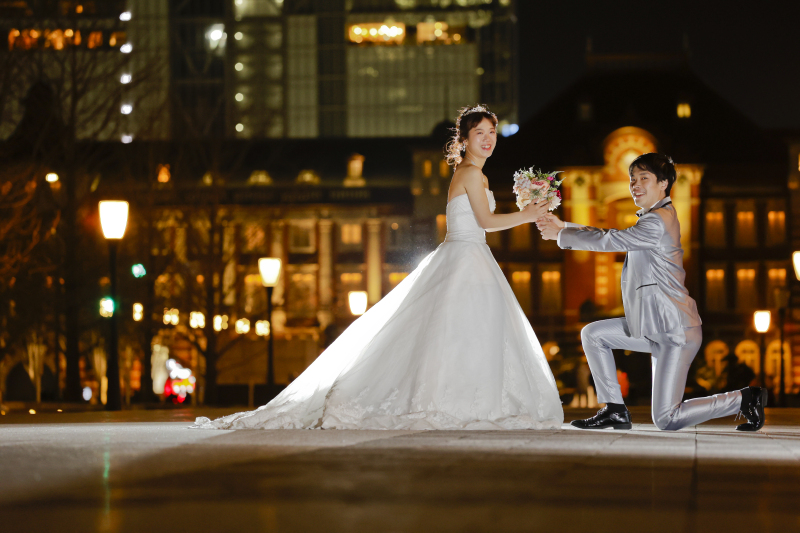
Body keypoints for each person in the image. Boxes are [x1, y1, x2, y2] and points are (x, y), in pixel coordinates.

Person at [192, 105, 564, 430]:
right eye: (479, 133)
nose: (488, 139)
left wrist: (529, 208)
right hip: (465, 257)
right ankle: (457, 401)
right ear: (463, 141)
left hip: (473, 258)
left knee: (467, 334)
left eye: (492, 133)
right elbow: (484, 221)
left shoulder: (478, 175)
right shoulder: (468, 173)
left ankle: (470, 398)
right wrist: (528, 213)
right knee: (460, 331)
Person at [536, 153, 767, 431]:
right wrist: (564, 226)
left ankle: (744, 398)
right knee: (593, 334)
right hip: (651, 326)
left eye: (644, 178)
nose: (635, 185)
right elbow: (614, 233)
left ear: (664, 183)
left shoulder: (658, 220)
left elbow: (614, 239)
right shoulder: (651, 219)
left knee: (667, 419)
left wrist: (562, 236)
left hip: (674, 331)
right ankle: (614, 409)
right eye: (632, 179)